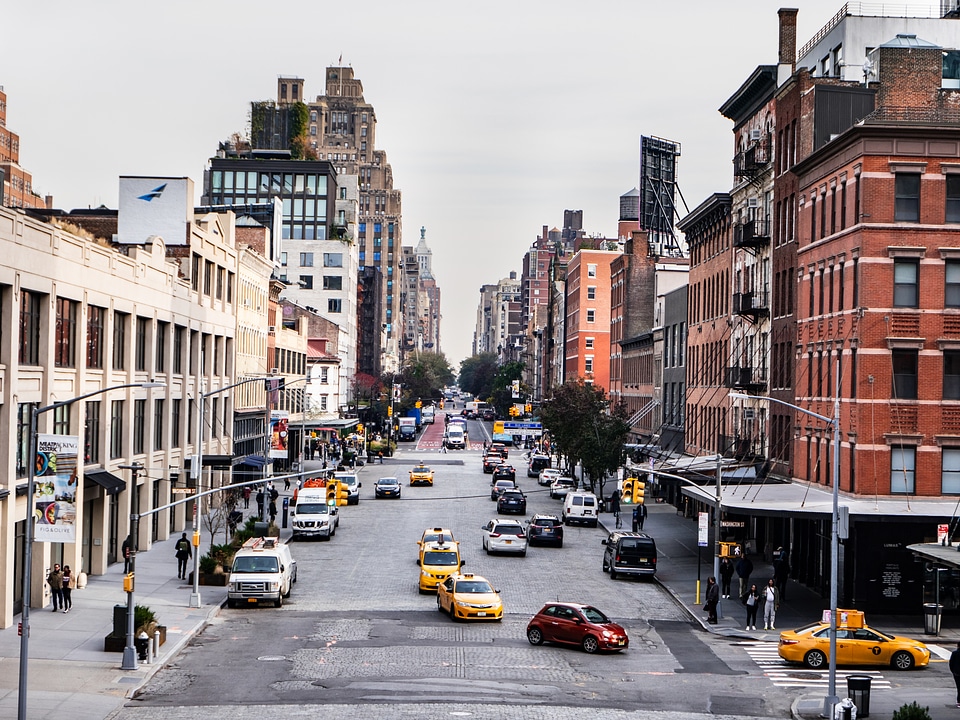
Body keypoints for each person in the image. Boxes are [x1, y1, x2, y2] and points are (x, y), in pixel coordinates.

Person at [950, 641, 960, 707]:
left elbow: (951, 663)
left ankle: (959, 701)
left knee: (959, 687)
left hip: (957, 673)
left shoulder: (954, 653)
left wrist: (953, 671)